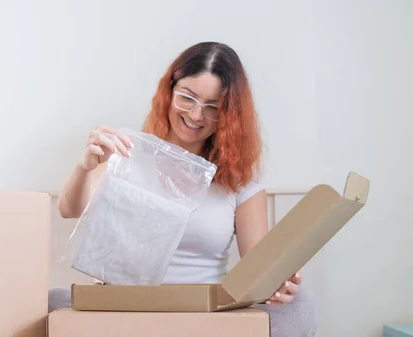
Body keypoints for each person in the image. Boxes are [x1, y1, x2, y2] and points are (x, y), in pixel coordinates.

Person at [51, 42, 319, 337]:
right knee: (52, 302)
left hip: (204, 317)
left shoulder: (240, 180)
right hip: (127, 310)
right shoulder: (127, 150)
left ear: (229, 115)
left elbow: (259, 269)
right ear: (170, 90)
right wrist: (85, 165)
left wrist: (278, 283)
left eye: (213, 107)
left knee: (301, 305)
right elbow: (68, 209)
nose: (195, 115)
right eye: (187, 98)